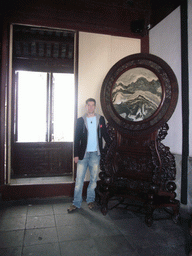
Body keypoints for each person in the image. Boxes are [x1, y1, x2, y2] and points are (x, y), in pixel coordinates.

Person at [67, 98, 111, 213]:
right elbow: (76, 139)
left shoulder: (100, 119)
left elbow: (105, 135)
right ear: (86, 107)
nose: (90, 107)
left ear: (95, 107)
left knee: (93, 180)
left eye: (92, 105)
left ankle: (90, 200)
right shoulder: (80, 120)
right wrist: (75, 155)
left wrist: (112, 145)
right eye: (88, 105)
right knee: (79, 180)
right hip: (83, 154)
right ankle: (76, 203)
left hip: (95, 154)